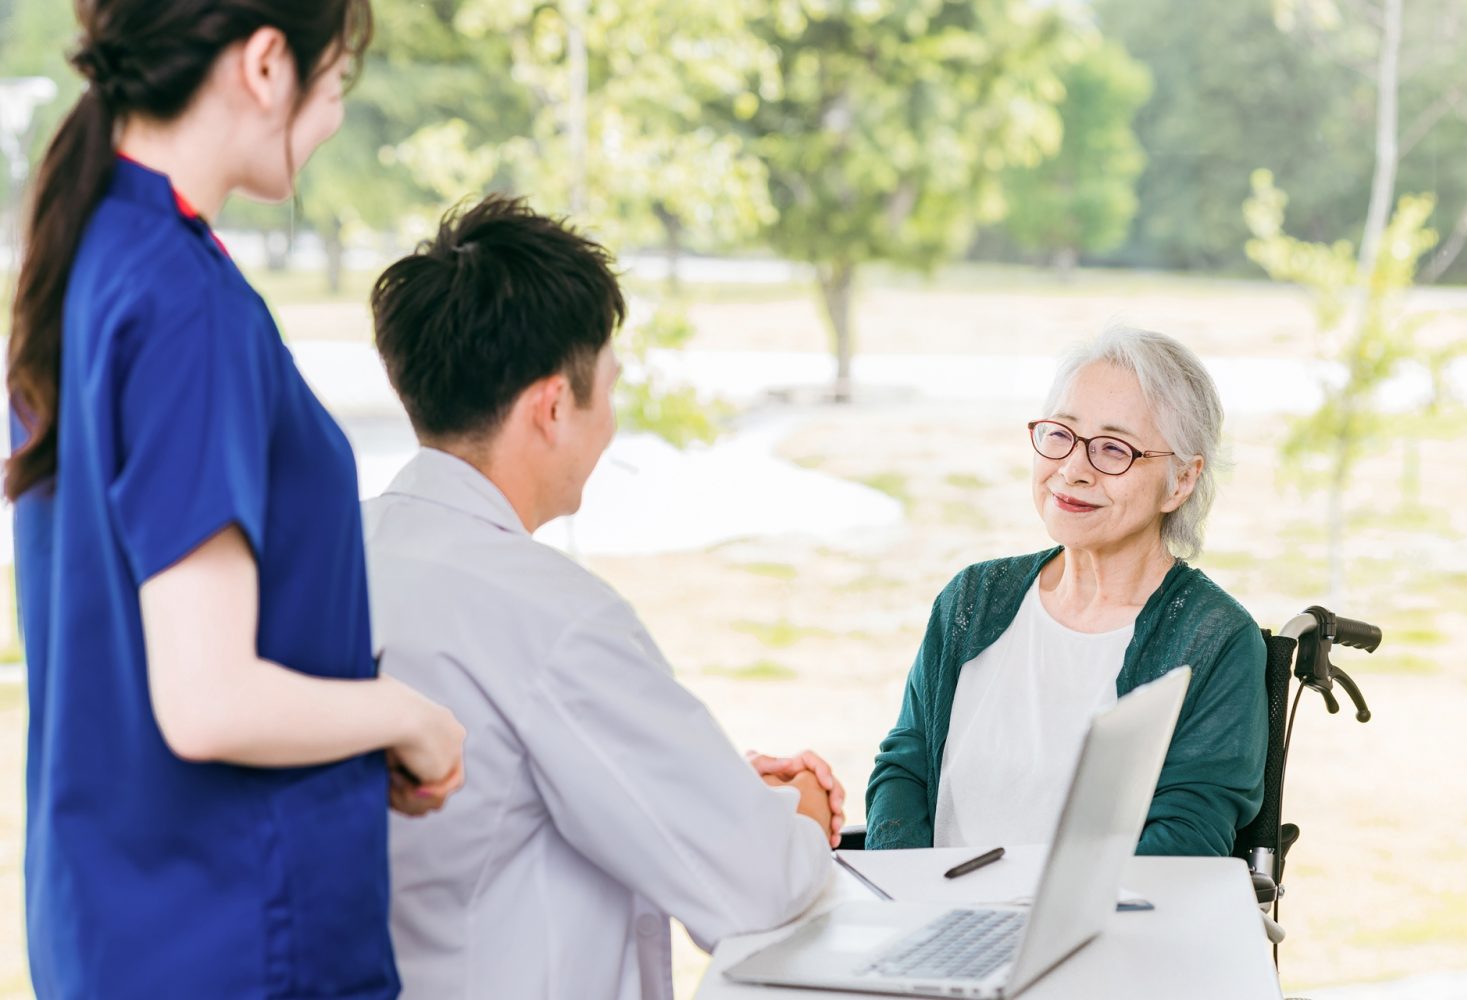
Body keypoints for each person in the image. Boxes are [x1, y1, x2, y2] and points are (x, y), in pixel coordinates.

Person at [4, 4, 466, 997]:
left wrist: (352, 736)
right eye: (334, 85)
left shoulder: (94, 255)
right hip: (231, 937)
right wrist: (407, 714)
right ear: (266, 64)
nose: (337, 118)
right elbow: (208, 702)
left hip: (117, 926)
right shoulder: (184, 303)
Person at [364, 195, 842, 1000]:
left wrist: (716, 790)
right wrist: (796, 808)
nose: (612, 423)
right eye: (608, 391)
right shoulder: (550, 614)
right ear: (553, 406)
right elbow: (751, 885)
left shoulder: (328, 557)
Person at [864, 327, 1268, 856]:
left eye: (1113, 449)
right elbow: (905, 768)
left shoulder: (1215, 641)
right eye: (1061, 434)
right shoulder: (973, 599)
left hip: (1094, 934)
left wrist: (1039, 919)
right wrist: (910, 897)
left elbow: (1187, 839)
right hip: (938, 921)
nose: (1073, 470)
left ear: (1181, 481)